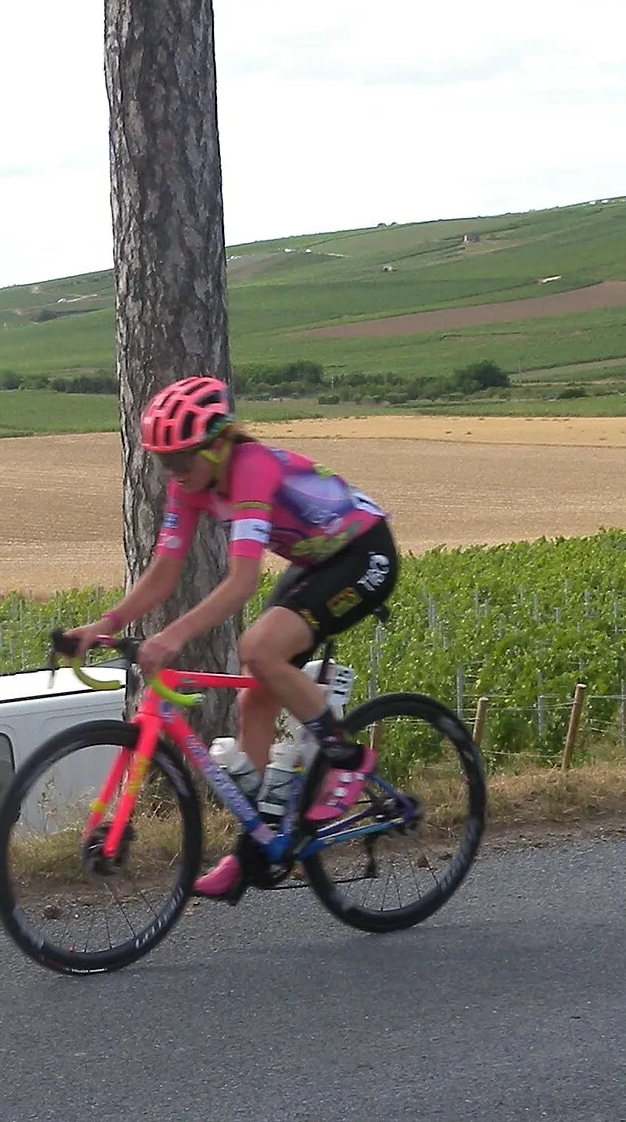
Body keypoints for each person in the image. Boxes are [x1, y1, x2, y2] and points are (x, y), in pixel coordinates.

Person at [61, 375, 400, 898]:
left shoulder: (253, 469)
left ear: (219, 445)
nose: (173, 472)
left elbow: (242, 580)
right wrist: (108, 623)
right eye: (163, 461)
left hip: (363, 554)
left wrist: (171, 637)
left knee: (258, 649)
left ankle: (348, 764)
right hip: (316, 561)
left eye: (182, 460)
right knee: (252, 702)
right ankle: (257, 850)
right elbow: (164, 571)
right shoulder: (191, 485)